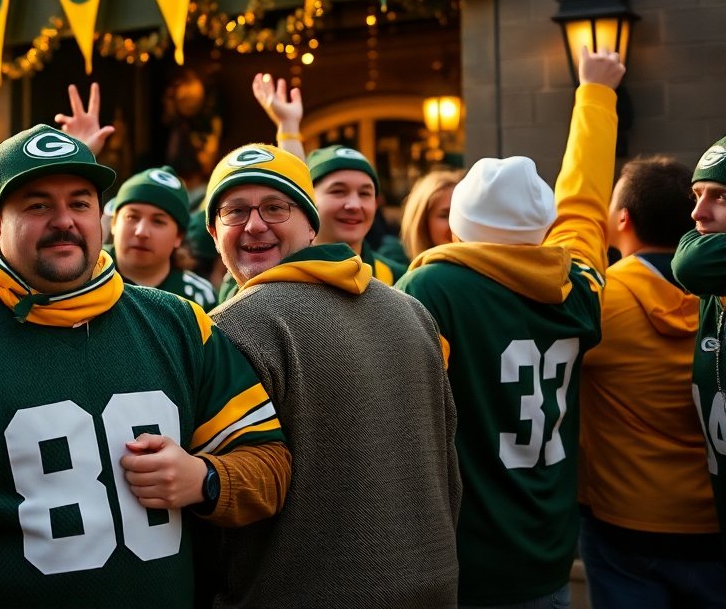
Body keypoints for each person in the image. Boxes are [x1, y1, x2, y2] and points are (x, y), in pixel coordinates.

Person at [0, 122, 292, 607]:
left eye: (81, 203)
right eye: (38, 204)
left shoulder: (178, 324)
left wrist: (205, 480)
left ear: (101, 218)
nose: (64, 220)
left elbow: (269, 465)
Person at [397, 47, 623, 608]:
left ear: (459, 224)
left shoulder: (435, 287)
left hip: (470, 555)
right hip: (548, 545)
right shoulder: (578, 283)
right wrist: (596, 95)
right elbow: (584, 210)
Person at [203, 142, 460, 607]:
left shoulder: (233, 326)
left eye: (276, 208)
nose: (255, 224)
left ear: (310, 225)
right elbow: (450, 478)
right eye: (234, 211)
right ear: (213, 231)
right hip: (434, 586)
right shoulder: (414, 310)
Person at [580, 156, 726, 606]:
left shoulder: (604, 301)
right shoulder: (713, 293)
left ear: (621, 218)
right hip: (712, 521)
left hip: (627, 522)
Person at [671, 136, 726, 564]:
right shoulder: (714, 292)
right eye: (696, 195)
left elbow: (688, 263)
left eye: (720, 196)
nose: (697, 214)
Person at [110, 165, 216, 309]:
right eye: (132, 217)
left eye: (158, 221)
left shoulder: (198, 298)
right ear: (114, 223)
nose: (141, 232)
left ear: (179, 236)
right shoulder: (85, 275)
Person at [306, 144, 406, 282]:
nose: (354, 205)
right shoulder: (282, 274)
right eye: (338, 191)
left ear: (376, 204)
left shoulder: (399, 279)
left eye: (364, 193)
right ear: (308, 198)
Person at [398, 169, 464, 262]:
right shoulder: (419, 275)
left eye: (461, 214)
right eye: (445, 215)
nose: (455, 223)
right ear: (422, 222)